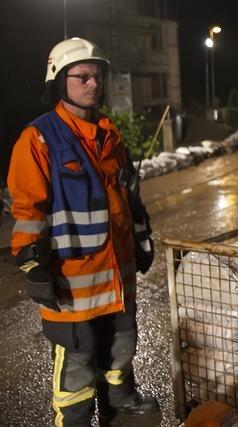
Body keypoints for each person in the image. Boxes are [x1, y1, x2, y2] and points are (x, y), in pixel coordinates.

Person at [7, 37, 158, 425]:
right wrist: (31, 265)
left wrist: (142, 240)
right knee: (78, 361)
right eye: (83, 76)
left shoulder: (111, 137)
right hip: (71, 284)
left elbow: (130, 199)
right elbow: (28, 210)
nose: (93, 83)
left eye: (98, 76)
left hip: (117, 278)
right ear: (60, 80)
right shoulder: (39, 139)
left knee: (122, 346)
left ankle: (119, 405)